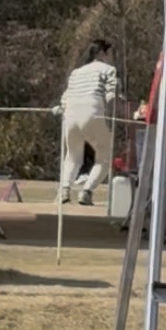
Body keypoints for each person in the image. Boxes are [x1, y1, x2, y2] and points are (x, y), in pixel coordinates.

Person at [60, 40, 121, 206]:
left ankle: (65, 189)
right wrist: (118, 113)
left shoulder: (76, 72)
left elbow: (65, 98)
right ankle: (86, 191)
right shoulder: (109, 70)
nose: (112, 58)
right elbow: (111, 96)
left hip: (70, 115)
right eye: (111, 53)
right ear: (102, 53)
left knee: (72, 156)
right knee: (104, 157)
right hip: (93, 112)